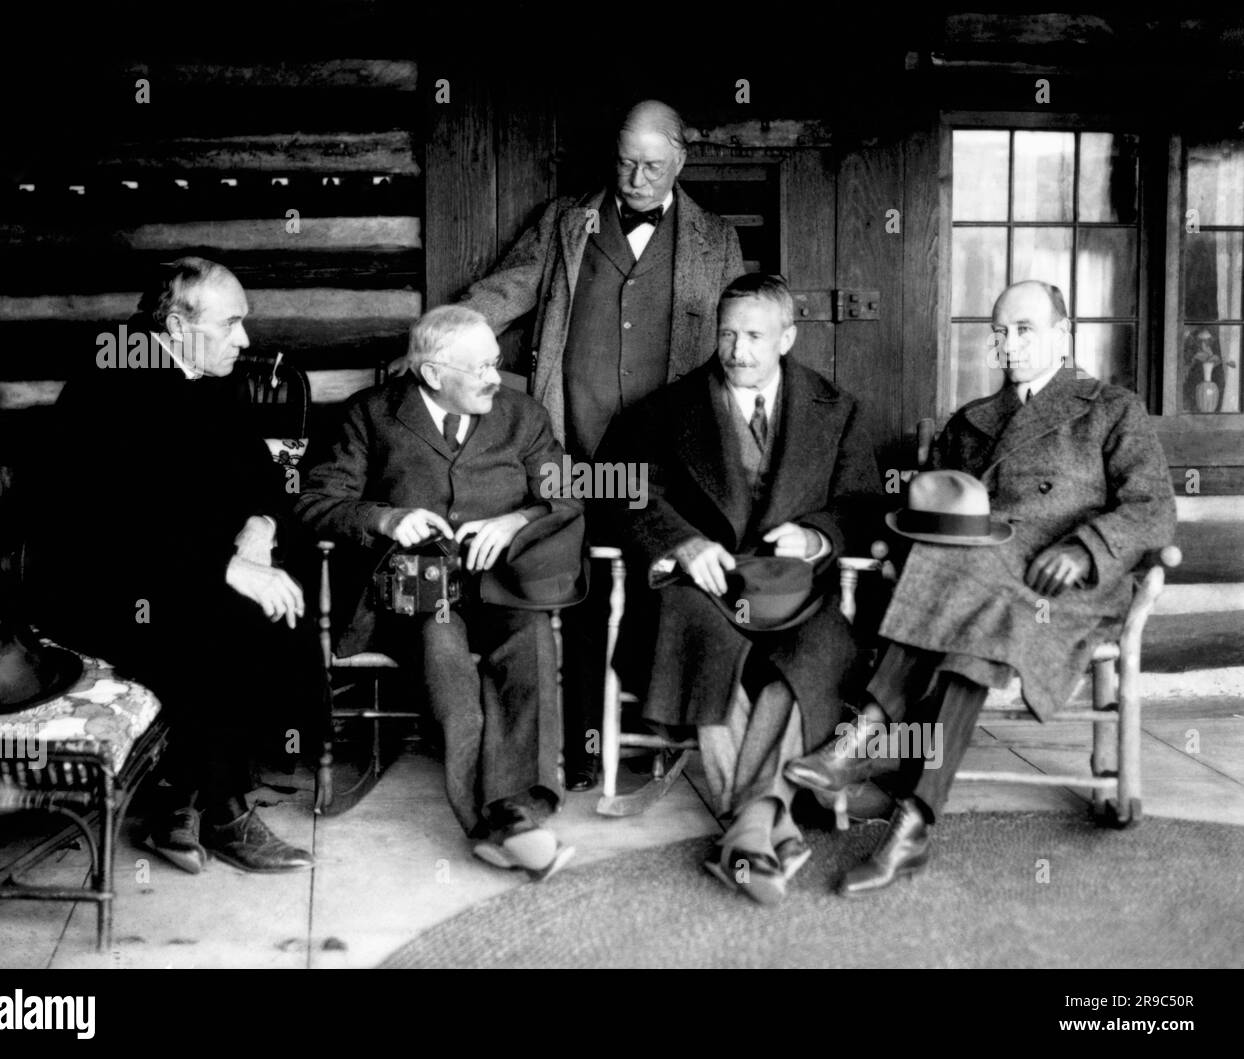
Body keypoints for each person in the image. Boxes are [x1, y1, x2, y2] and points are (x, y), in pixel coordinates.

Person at [784, 280, 1177, 896]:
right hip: (978, 584)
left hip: (1063, 588)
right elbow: (936, 516)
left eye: (1025, 330)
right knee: (970, 629)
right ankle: (911, 825)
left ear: (1062, 334)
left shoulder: (1110, 408)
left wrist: (1086, 548)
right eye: (999, 332)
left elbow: (1152, 508)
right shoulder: (971, 423)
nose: (1009, 344)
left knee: (967, 593)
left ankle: (861, 738)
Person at [455, 98, 746, 791]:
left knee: (652, 582)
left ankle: (662, 727)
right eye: (624, 162)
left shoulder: (717, 240)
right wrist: (446, 333)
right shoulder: (566, 221)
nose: (636, 177)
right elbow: (506, 291)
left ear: (681, 158)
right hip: (574, 447)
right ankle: (585, 752)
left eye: (651, 165)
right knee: (578, 586)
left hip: (666, 460)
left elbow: (741, 335)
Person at [28, 256, 325, 874]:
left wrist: (259, 531)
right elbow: (115, 522)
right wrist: (226, 568)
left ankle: (179, 800)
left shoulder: (206, 378)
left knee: (273, 596)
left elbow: (265, 482)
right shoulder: (113, 380)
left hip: (177, 569)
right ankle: (221, 808)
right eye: (232, 323)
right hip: (102, 584)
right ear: (175, 324)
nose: (245, 340)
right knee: (217, 620)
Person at [609, 273, 881, 905]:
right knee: (703, 636)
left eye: (755, 336)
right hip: (700, 588)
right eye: (727, 334)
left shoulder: (834, 408)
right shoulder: (666, 408)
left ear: (786, 337)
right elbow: (626, 491)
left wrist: (816, 537)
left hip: (793, 591)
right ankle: (764, 820)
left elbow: (862, 504)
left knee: (816, 651)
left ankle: (749, 823)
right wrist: (681, 542)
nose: (737, 350)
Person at [296, 305, 585, 881]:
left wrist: (516, 522)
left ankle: (516, 813)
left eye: (496, 363)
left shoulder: (522, 415)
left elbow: (569, 493)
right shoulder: (371, 416)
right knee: (444, 652)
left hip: (507, 581)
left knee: (531, 644)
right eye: (479, 368)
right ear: (432, 374)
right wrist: (384, 519)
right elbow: (314, 502)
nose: (494, 378)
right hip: (417, 590)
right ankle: (504, 822)